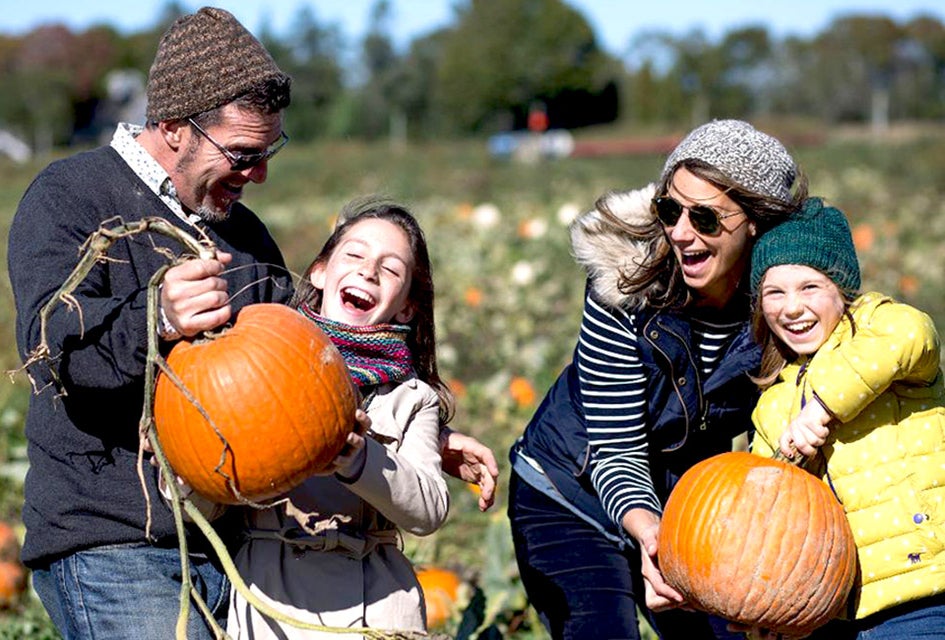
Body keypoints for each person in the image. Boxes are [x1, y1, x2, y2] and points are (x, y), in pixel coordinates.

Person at [7, 7, 495, 639]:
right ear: (176, 127)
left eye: (268, 153)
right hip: (115, 540)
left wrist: (410, 443)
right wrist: (153, 317)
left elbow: (295, 379)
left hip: (239, 550)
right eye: (242, 154)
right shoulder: (73, 195)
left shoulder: (246, 237)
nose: (258, 174)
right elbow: (48, 349)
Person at [507, 119, 809, 639]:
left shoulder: (785, 300)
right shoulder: (625, 282)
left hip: (687, 505)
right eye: (670, 210)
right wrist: (653, 538)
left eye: (707, 218)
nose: (681, 232)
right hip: (569, 488)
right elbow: (615, 448)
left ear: (756, 222)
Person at [227, 198, 451, 638]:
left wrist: (358, 460)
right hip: (272, 606)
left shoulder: (411, 398)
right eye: (355, 255)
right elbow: (214, 480)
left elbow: (429, 510)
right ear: (320, 272)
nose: (369, 271)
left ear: (406, 307)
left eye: (390, 269)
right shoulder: (262, 370)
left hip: (378, 608)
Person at [748, 197, 945, 639]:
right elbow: (768, 514)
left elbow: (914, 334)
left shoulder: (880, 327)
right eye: (774, 293)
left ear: (842, 290)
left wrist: (820, 406)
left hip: (925, 589)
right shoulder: (772, 404)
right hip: (834, 613)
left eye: (810, 287)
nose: (792, 307)